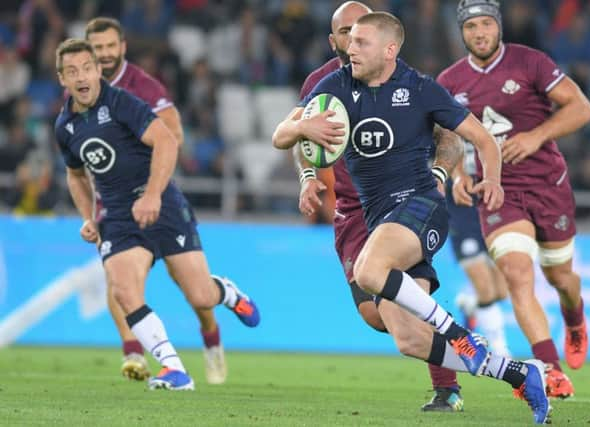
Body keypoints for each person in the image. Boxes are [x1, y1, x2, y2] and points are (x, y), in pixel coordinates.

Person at [273, 11, 550, 424]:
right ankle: (518, 373)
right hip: (371, 216)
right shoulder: (333, 85)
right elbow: (281, 135)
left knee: (371, 269)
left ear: (389, 50)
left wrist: (491, 178)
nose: (351, 49)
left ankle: (458, 335)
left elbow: (479, 138)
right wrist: (303, 129)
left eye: (361, 42)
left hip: (421, 205)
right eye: (347, 41)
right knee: (408, 336)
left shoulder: (420, 88)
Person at [54, 38, 260, 391]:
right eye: (72, 72)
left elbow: (165, 140)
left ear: (98, 69)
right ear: (62, 79)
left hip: (162, 202)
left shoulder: (122, 103)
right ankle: (175, 370)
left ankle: (226, 293)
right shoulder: (65, 126)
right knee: (123, 290)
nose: (82, 77)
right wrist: (88, 216)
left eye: (87, 68)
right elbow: (75, 174)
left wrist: (151, 195)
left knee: (199, 296)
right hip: (117, 215)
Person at [296, 1, 468, 412]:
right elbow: (301, 135)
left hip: (404, 204)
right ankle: (465, 344)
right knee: (377, 317)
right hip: (354, 212)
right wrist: (306, 177)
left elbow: (452, 136)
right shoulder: (323, 83)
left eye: (361, 30)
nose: (353, 38)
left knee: (404, 309)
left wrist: (441, 175)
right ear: (333, 39)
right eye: (344, 32)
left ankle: (450, 384)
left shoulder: (406, 80)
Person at [438, 0, 590, 399]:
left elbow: (581, 108)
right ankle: (551, 369)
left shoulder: (531, 63)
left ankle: (573, 316)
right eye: (471, 27)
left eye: (486, 24)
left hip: (548, 186)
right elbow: (450, 137)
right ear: (462, 32)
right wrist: (457, 173)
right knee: (518, 275)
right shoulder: (450, 81)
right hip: (498, 192)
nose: (479, 33)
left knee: (561, 277)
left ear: (499, 27)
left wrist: (537, 135)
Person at [82, 16, 229, 385]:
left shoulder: (142, 86)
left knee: (197, 293)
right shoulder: (80, 92)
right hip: (113, 205)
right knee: (121, 282)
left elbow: (174, 134)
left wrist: (146, 180)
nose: (104, 54)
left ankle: (211, 336)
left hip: (157, 198)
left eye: (109, 46)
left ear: (122, 47)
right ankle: (133, 351)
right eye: (97, 48)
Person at [448, 143, 511, 358]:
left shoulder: (492, 118)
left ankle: (470, 305)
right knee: (485, 288)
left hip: (492, 208)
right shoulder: (446, 117)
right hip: (461, 212)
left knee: (502, 292)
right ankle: (499, 349)